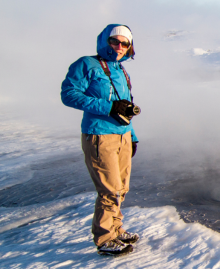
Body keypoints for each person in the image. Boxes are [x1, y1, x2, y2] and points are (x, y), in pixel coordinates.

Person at [61, 24, 141, 256]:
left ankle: (116, 229)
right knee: (109, 189)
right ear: (104, 41)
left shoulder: (121, 70)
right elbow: (69, 94)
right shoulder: (86, 64)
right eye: (114, 41)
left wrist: (132, 137)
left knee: (121, 187)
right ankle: (105, 238)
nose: (119, 47)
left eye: (124, 44)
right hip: (100, 135)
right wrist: (108, 107)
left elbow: (124, 107)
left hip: (123, 136)